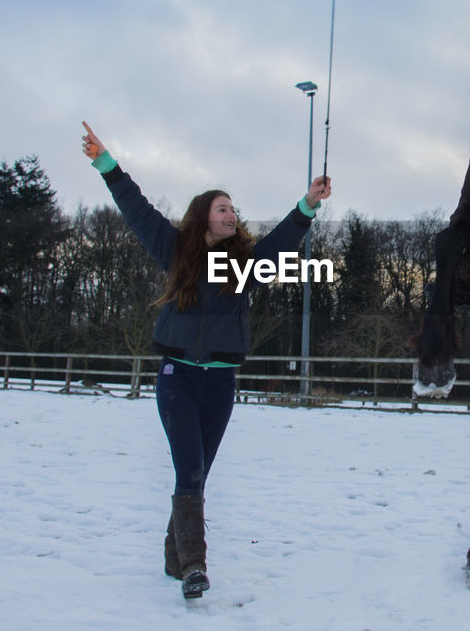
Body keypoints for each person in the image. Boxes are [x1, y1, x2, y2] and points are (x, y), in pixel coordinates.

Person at [81, 121, 332, 599]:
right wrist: (107, 163)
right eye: (223, 207)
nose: (232, 213)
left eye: (234, 208)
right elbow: (137, 210)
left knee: (195, 474)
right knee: (189, 470)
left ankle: (175, 555)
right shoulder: (176, 252)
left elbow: (280, 244)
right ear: (203, 217)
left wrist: (307, 206)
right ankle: (195, 565)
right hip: (177, 379)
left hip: (220, 384)